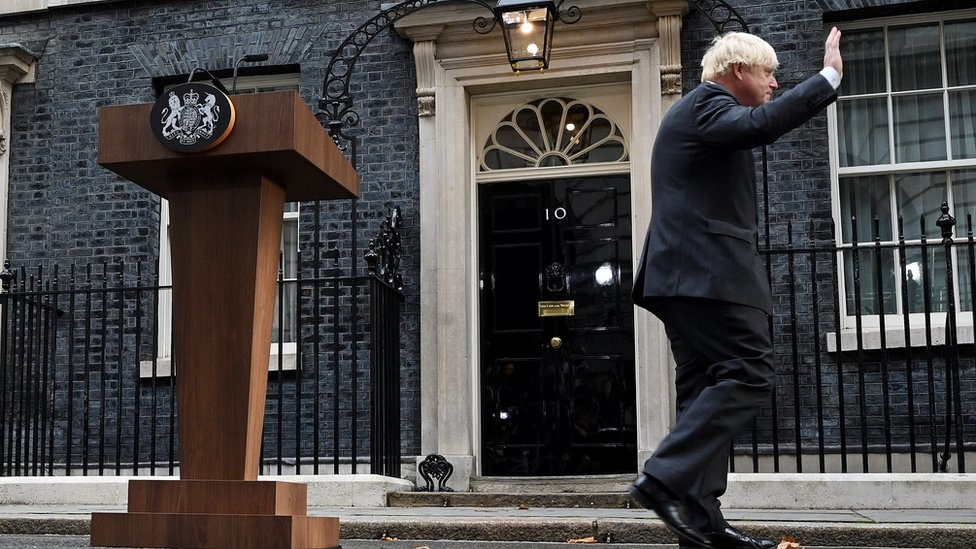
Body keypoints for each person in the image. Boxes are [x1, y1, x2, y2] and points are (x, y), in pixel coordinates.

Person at [629, 28, 844, 549]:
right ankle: (662, 478)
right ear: (737, 72)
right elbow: (763, 124)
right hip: (703, 276)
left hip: (689, 276)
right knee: (751, 370)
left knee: (706, 388)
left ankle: (702, 525)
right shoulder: (707, 105)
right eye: (767, 72)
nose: (774, 81)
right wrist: (827, 78)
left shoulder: (705, 115)